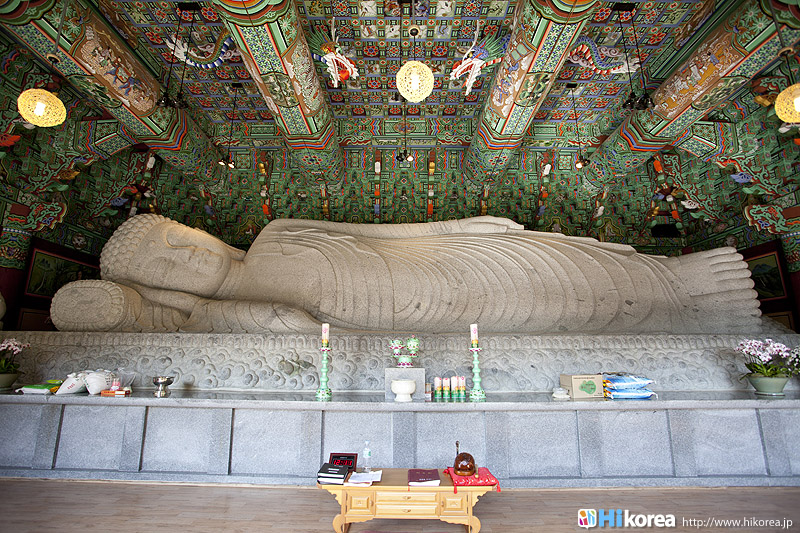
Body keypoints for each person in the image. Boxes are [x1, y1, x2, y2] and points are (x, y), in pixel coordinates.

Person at [51, 214, 762, 335]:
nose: (189, 256)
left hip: (432, 260)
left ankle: (689, 284)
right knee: (552, 309)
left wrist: (460, 227)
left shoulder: (275, 233)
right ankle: (695, 308)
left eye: (179, 241)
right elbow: (289, 327)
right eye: (169, 267)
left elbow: (376, 234)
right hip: (405, 313)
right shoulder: (225, 311)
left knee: (552, 263)